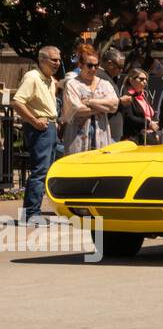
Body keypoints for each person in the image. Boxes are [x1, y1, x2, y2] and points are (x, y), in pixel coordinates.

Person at [12, 46, 64, 224]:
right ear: (42, 60)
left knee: (50, 170)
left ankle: (34, 212)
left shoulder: (48, 80)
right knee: (40, 171)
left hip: (49, 127)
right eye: (53, 60)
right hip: (40, 128)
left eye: (58, 59)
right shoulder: (32, 77)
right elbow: (17, 102)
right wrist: (35, 121)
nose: (57, 63)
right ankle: (31, 214)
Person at [62, 43, 119, 157]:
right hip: (77, 137)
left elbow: (114, 105)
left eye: (96, 66)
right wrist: (102, 108)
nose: (93, 69)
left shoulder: (105, 84)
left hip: (101, 135)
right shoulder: (73, 84)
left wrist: (90, 102)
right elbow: (77, 109)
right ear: (80, 65)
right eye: (89, 65)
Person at [120, 68, 160, 145]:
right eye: (141, 79)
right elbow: (129, 117)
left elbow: (151, 115)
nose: (144, 82)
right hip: (135, 139)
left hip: (149, 137)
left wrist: (155, 131)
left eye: (146, 79)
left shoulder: (144, 95)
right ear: (131, 80)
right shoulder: (127, 96)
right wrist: (148, 123)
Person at [101, 47, 127, 143]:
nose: (121, 70)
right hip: (107, 131)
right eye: (119, 67)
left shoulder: (110, 77)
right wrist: (120, 101)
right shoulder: (101, 77)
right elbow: (104, 102)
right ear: (109, 63)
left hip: (113, 131)